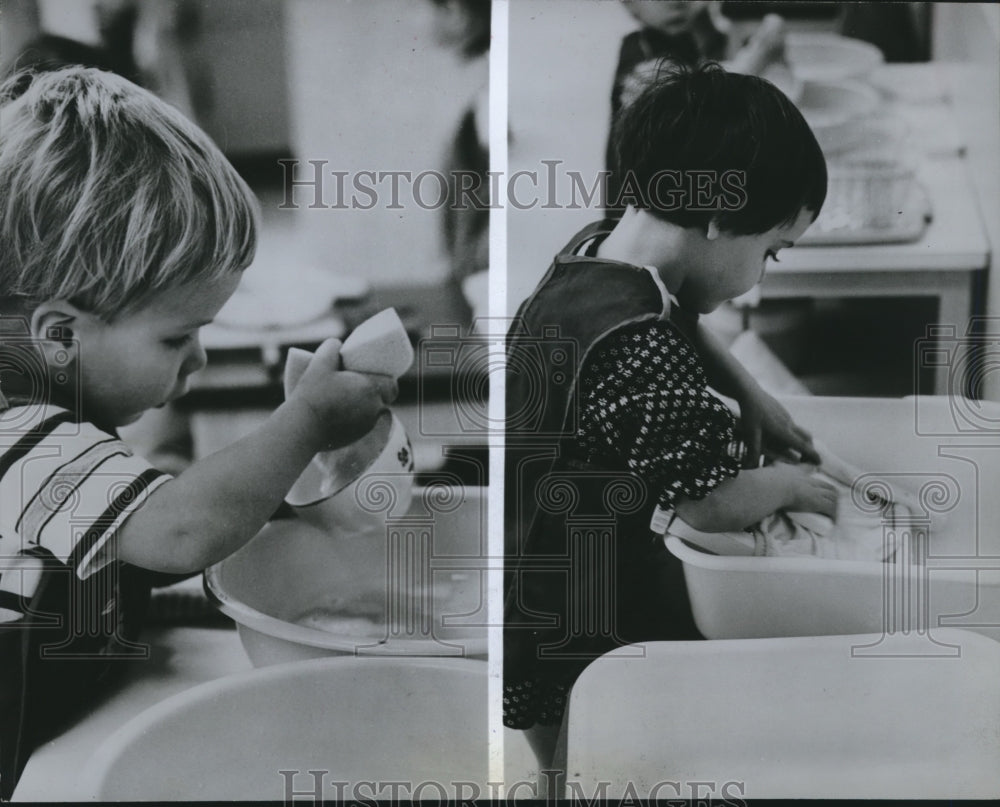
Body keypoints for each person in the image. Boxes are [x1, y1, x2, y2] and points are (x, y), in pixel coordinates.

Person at [0, 67, 394, 798]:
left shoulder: (55, 416)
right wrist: (305, 422)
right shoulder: (16, 434)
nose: (199, 360)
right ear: (59, 336)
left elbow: (127, 545)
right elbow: (179, 532)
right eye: (176, 337)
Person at [504, 63, 829, 771]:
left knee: (573, 751)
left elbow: (670, 313)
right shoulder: (642, 349)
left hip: (533, 566)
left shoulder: (597, 250)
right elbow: (709, 501)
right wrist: (792, 487)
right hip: (577, 611)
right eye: (770, 252)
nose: (762, 276)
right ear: (718, 219)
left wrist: (749, 390)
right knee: (588, 762)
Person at [606, 1, 792, 216]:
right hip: (642, 211)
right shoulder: (638, 52)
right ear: (629, 5)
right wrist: (754, 60)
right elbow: (691, 102)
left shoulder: (701, 38)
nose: (675, 2)